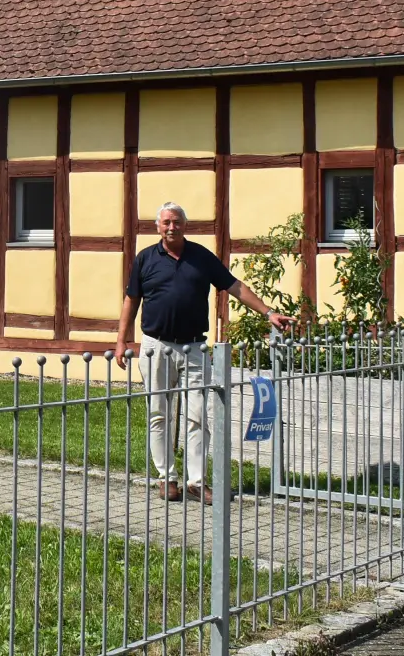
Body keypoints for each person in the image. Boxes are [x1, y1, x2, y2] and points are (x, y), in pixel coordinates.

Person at [114, 202, 292, 505]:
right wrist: (121, 341)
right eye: (167, 222)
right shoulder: (145, 259)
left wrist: (268, 312)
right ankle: (166, 478)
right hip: (156, 345)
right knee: (159, 414)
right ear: (158, 226)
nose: (172, 227)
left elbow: (234, 286)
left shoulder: (201, 257)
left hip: (194, 347)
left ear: (186, 225)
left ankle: (196, 482)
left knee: (198, 416)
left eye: (177, 222)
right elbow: (131, 300)